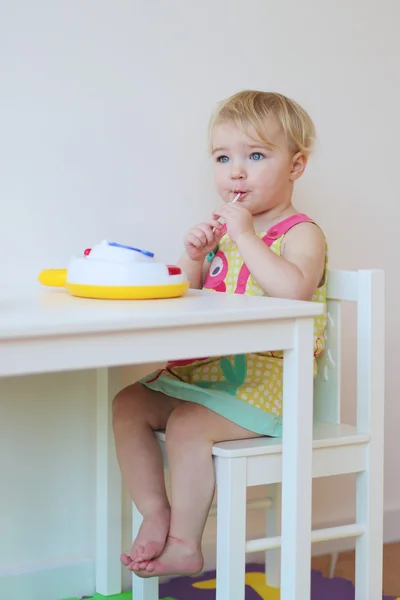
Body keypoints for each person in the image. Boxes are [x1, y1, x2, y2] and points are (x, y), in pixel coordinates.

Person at [112, 90, 327, 578]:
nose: (237, 171)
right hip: (211, 375)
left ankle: (187, 542)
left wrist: (247, 237)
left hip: (269, 383)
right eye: (223, 157)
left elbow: (293, 292)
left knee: (189, 425)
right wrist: (194, 256)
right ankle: (156, 512)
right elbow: (188, 298)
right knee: (127, 403)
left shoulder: (300, 232)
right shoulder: (226, 231)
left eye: (255, 156)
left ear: (296, 166)